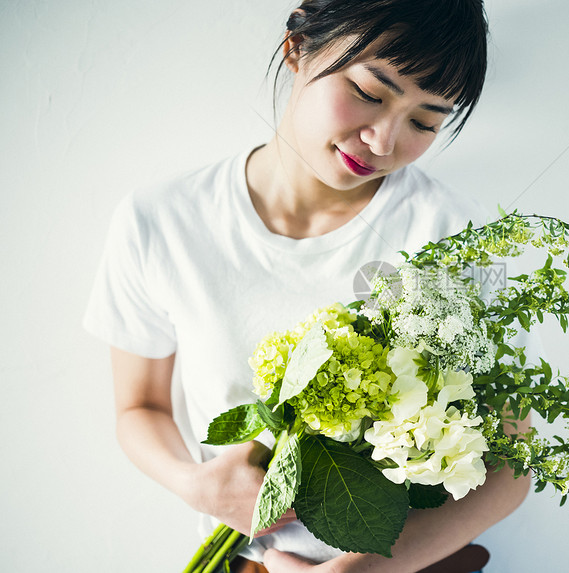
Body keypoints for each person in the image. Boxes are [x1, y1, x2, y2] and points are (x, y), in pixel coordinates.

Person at [84, 1, 532, 571]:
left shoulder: (452, 238)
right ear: (297, 46)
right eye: (370, 92)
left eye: (424, 121)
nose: (382, 139)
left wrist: (370, 567)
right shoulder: (162, 221)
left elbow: (511, 464)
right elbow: (139, 406)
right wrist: (196, 485)